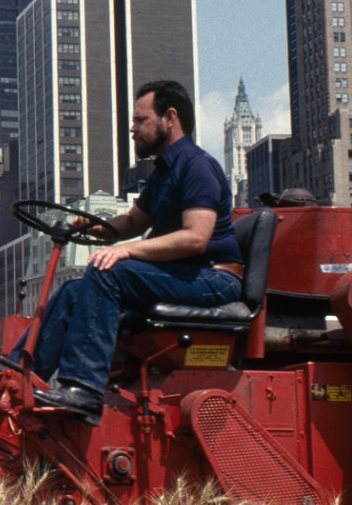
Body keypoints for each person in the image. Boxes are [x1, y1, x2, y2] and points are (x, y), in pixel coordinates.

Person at [24, 79, 243, 424]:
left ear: (170, 118)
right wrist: (94, 226)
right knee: (72, 290)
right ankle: (23, 374)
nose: (133, 128)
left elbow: (195, 239)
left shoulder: (196, 165)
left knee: (108, 270)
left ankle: (83, 388)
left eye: (141, 120)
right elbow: (133, 221)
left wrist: (126, 252)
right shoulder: (163, 172)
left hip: (213, 277)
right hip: (184, 273)